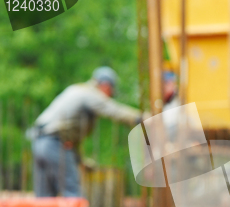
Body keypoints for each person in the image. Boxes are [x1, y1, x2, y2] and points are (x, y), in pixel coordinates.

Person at [31, 66, 145, 197]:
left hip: (39, 142)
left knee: (44, 196)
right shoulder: (90, 94)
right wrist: (141, 118)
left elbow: (71, 140)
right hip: (55, 144)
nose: (109, 97)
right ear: (106, 86)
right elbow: (113, 110)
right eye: (110, 93)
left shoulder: (76, 90)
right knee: (73, 193)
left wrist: (80, 161)